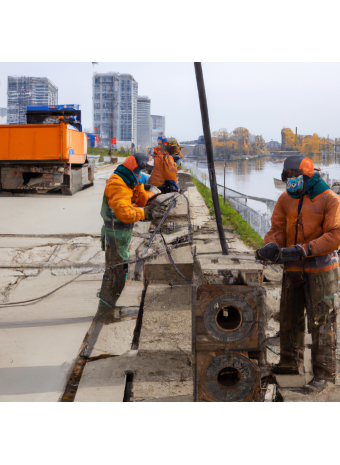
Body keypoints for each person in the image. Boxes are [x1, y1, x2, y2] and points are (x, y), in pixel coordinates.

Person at [256, 156, 340, 378]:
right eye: (288, 176)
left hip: (321, 270)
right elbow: (278, 228)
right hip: (293, 268)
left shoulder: (330, 199)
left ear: (308, 175)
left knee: (321, 321)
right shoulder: (285, 198)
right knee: (289, 318)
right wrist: (272, 245)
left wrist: (305, 249)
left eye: (296, 175)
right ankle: (290, 364)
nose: (291, 180)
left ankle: (324, 374)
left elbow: (335, 235)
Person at [100, 153, 151, 305]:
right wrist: (144, 213)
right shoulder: (118, 183)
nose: (139, 176)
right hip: (116, 230)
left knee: (119, 264)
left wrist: (140, 185)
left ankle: (112, 296)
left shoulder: (128, 180)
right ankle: (109, 301)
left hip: (122, 230)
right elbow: (124, 213)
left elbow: (141, 200)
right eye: (138, 173)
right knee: (117, 267)